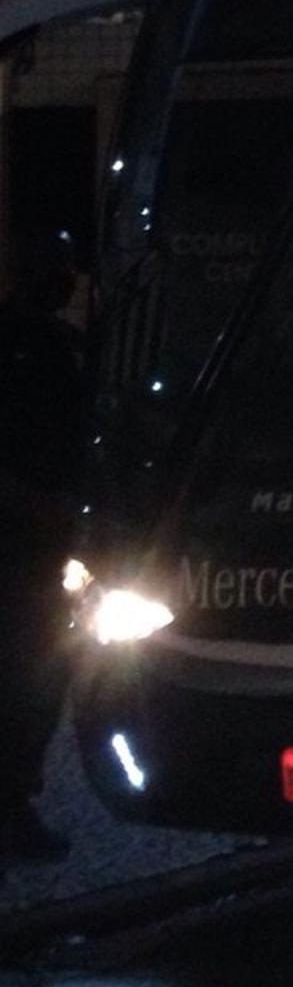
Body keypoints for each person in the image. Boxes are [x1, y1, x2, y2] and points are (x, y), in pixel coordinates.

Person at [0, 226, 87, 863]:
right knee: (26, 678)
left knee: (40, 677)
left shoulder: (65, 346)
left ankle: (16, 800)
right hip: (21, 539)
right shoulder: (26, 346)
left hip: (45, 543)